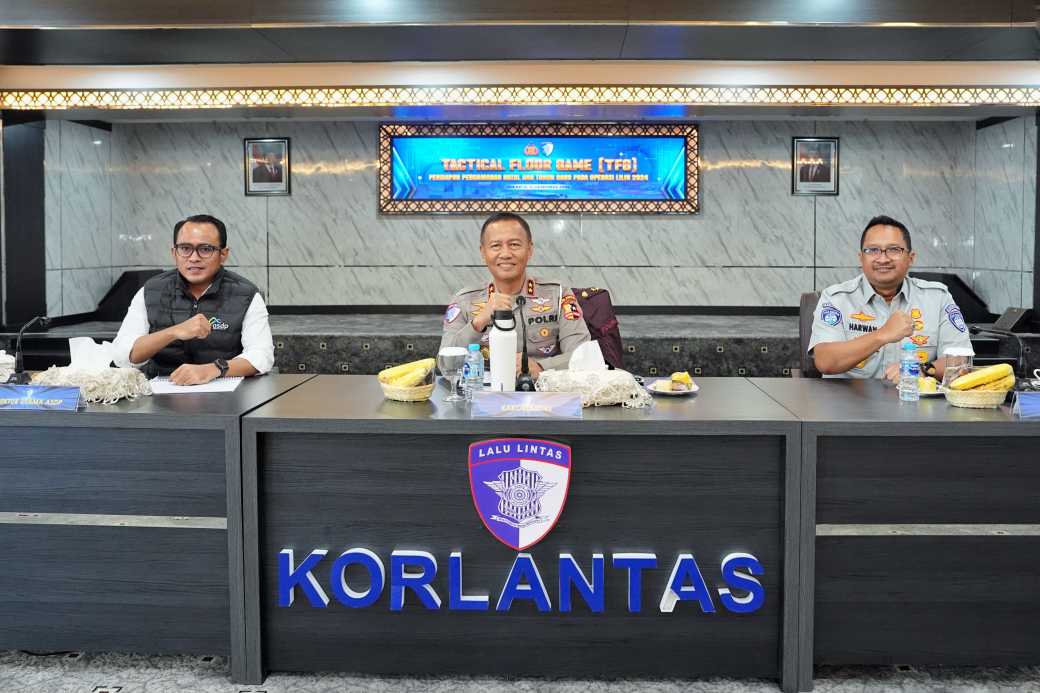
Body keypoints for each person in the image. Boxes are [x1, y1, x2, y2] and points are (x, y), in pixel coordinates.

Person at [112, 214, 275, 385]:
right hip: (161, 392)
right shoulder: (150, 291)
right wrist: (173, 332)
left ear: (223, 254)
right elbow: (122, 356)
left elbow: (261, 356)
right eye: (185, 248)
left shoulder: (246, 294)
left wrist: (214, 369)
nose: (194, 257)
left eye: (205, 249)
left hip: (227, 392)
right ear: (174, 253)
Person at [809, 215, 973, 382]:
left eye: (894, 249)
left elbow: (962, 360)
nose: (883, 259)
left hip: (913, 396)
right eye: (873, 250)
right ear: (861, 258)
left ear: (910, 258)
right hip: (847, 398)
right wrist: (882, 334)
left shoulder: (937, 298)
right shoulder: (836, 299)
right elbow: (825, 361)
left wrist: (922, 370)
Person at [440, 212, 591, 380]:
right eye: (496, 245)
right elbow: (446, 366)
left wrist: (542, 367)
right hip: (485, 392)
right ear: (483, 252)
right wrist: (478, 323)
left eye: (514, 244)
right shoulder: (464, 301)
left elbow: (584, 357)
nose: (505, 254)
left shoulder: (558, 295)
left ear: (529, 250)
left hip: (543, 391)